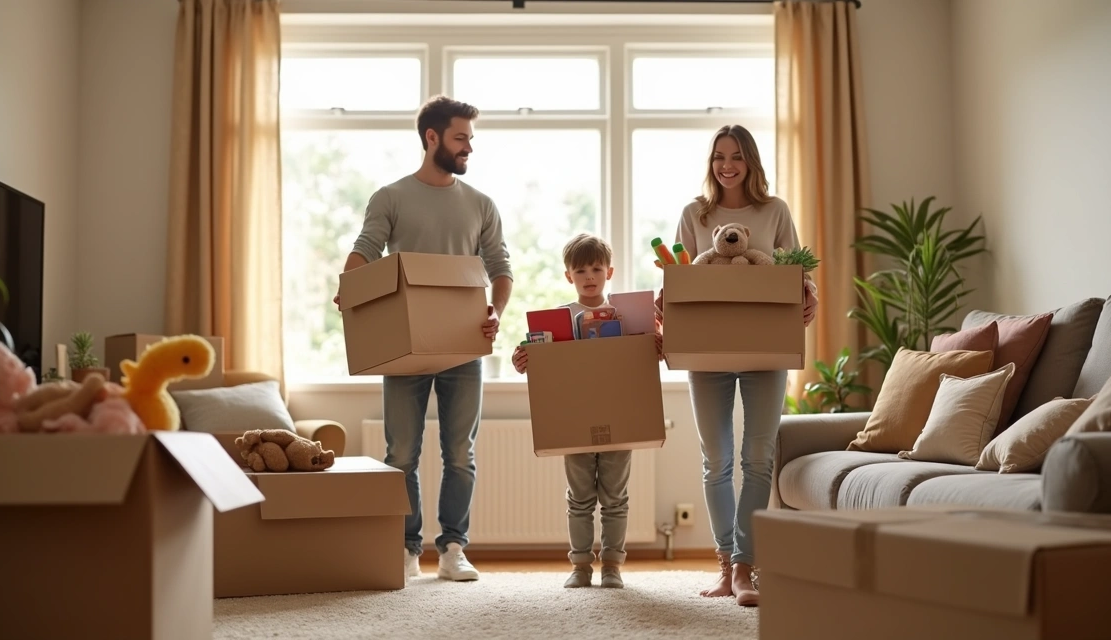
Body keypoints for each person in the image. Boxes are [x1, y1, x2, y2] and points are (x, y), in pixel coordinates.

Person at [335, 95, 513, 582]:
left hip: (463, 345)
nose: (468, 147)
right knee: (400, 454)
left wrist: (495, 311)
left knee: (460, 455)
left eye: (470, 139)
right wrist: (349, 291)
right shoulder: (391, 197)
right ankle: (406, 549)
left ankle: (453, 548)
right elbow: (366, 250)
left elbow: (500, 267)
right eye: (460, 138)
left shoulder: (481, 204)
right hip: (404, 347)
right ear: (432, 137)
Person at [655, 124, 818, 607]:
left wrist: (810, 295)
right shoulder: (695, 214)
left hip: (766, 349)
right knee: (717, 461)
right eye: (719, 157)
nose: (727, 166)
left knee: (758, 458)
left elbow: (796, 273)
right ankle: (726, 564)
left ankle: (748, 568)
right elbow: (680, 275)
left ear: (751, 162)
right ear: (712, 163)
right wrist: (666, 302)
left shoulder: (775, 211)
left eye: (737, 156)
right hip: (707, 351)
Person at [511, 234, 661, 589]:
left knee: (615, 498)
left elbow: (643, 361)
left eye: (596, 268)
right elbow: (541, 363)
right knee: (579, 498)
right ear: (569, 276)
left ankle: (612, 566)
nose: (589, 276)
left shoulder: (629, 316)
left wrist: (656, 345)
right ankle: (580, 566)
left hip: (620, 417)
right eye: (580, 270)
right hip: (575, 421)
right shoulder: (557, 321)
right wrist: (522, 359)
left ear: (610, 272)